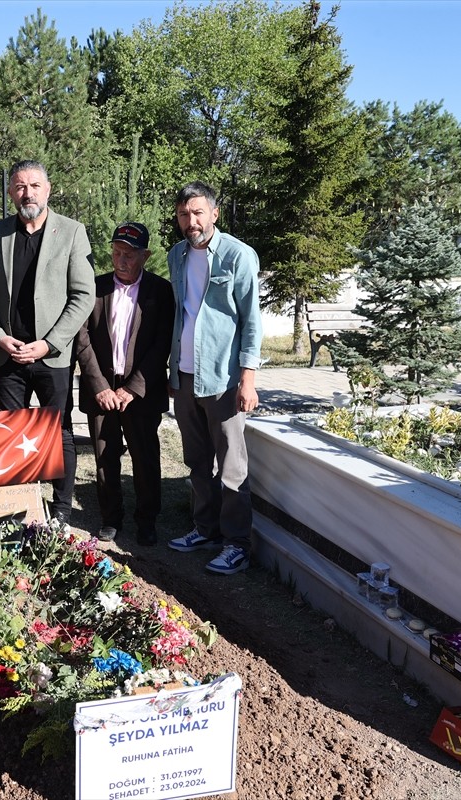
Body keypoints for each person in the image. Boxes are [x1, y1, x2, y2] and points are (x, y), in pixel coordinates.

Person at [0, 160, 95, 523]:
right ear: (11, 192)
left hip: (51, 356)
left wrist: (50, 343)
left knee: (59, 434)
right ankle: (16, 512)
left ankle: (59, 510)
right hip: (9, 353)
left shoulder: (72, 232)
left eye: (35, 186)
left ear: (48, 189)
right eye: (20, 186)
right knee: (9, 434)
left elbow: (83, 295)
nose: (28, 193)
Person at [165, 182, 261, 575]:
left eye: (198, 213)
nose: (192, 221)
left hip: (223, 378)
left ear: (214, 214)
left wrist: (248, 379)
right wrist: (173, 371)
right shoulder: (177, 255)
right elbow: (179, 315)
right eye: (185, 215)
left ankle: (236, 543)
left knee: (232, 466)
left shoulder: (238, 256)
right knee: (197, 461)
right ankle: (204, 528)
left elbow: (251, 321)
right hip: (186, 376)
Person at [74, 223, 175, 546]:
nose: (122, 260)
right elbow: (82, 338)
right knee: (106, 455)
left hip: (141, 392)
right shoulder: (95, 287)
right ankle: (110, 517)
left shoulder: (160, 291)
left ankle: (147, 520)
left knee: (145, 458)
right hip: (101, 388)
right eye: (117, 253)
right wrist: (99, 386)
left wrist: (132, 388)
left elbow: (162, 344)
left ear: (145, 255)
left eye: (130, 255)